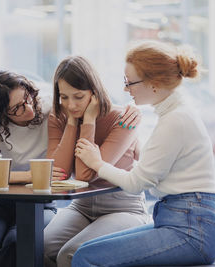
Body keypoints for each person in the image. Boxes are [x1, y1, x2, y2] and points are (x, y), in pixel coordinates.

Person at [72, 40, 215, 266]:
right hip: (186, 222)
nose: (125, 89)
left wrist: (96, 162)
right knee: (85, 251)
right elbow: (158, 168)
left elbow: (136, 183)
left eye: (129, 82)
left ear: (155, 84)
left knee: (86, 257)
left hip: (191, 232)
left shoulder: (175, 120)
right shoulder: (177, 115)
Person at [44, 56, 150, 267]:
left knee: (71, 254)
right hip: (81, 207)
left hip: (124, 209)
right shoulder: (59, 117)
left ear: (94, 92)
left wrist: (89, 121)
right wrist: (72, 123)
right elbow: (58, 173)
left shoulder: (123, 119)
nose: (70, 105)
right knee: (43, 247)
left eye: (78, 97)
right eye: (64, 97)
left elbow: (85, 175)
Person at [0, 70, 56, 267]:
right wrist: (27, 176)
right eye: (17, 109)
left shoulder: (50, 107)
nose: (29, 108)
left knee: (15, 243)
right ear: (1, 113)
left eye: (27, 97)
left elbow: (87, 100)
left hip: (40, 202)